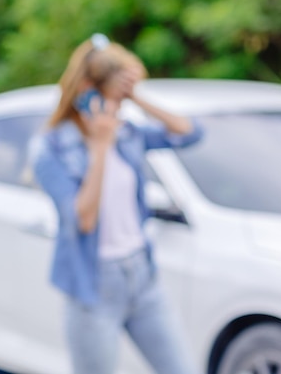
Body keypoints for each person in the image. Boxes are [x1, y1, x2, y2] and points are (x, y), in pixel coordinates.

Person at [29, 33, 203, 374]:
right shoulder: (50, 148)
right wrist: (99, 149)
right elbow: (84, 220)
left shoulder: (128, 131)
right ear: (88, 90)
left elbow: (190, 133)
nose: (120, 106)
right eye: (116, 96)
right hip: (94, 288)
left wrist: (135, 95)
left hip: (143, 276)